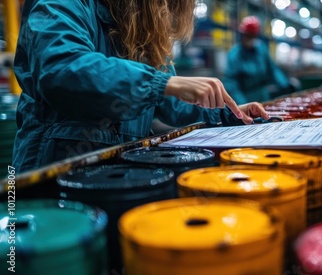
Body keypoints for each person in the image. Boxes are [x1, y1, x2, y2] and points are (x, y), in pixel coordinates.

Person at [12, 0, 270, 173]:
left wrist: (228, 112)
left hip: (121, 173)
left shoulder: (141, 29)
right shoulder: (64, 5)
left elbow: (170, 102)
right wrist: (163, 83)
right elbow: (62, 70)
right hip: (51, 176)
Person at [223, 16, 293, 104]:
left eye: (253, 36)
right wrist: (243, 105)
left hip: (263, 96)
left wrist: (285, 85)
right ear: (242, 35)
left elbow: (273, 69)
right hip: (245, 97)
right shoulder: (234, 55)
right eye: (248, 35)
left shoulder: (261, 49)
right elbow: (231, 83)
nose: (250, 39)